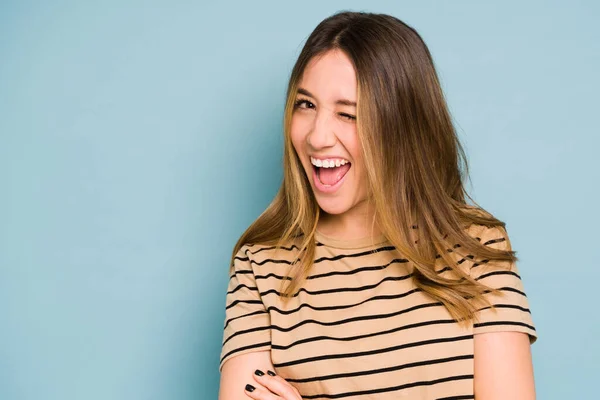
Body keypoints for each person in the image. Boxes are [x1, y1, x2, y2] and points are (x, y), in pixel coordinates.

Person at [218, 10, 537, 400]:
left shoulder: (477, 248)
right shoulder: (260, 265)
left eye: (347, 113)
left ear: (402, 126)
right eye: (306, 105)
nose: (318, 137)